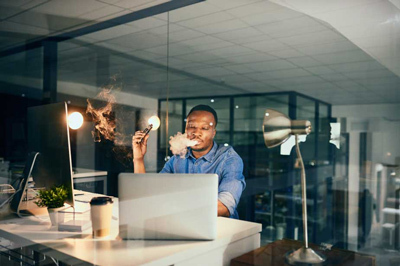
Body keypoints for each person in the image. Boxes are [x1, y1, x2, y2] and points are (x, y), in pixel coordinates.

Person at [132, 105, 246, 219]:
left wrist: (173, 206)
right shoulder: (178, 157)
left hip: (221, 229)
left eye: (204, 128)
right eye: (191, 126)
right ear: (186, 130)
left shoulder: (230, 159)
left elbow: (225, 206)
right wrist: (138, 159)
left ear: (213, 133)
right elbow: (149, 194)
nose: (197, 133)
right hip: (182, 222)